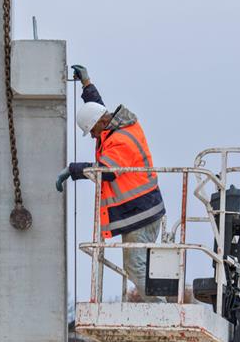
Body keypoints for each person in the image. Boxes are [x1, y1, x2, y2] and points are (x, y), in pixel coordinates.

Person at [56, 64, 166, 302]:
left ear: (101, 124)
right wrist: (87, 85)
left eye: (92, 132)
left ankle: (164, 311)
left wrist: (73, 170)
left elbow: (106, 171)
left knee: (135, 266)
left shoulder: (122, 140)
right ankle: (162, 306)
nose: (94, 137)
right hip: (142, 211)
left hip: (141, 212)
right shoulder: (114, 126)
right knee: (139, 266)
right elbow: (98, 109)